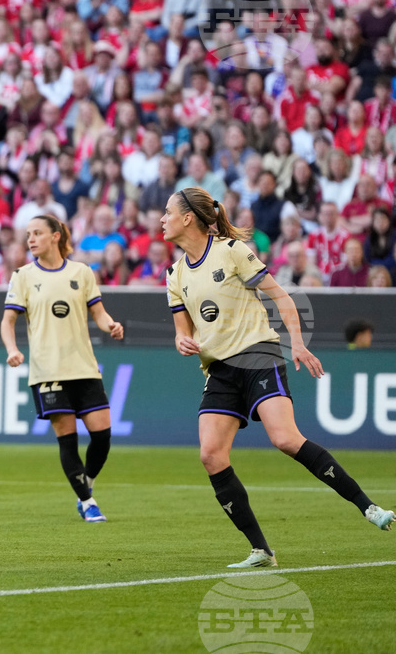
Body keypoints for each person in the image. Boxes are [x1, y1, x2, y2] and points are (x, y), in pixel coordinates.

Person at [163, 186, 395, 568]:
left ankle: (368, 507)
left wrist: (298, 344)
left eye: (168, 212)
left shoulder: (232, 251)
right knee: (210, 455)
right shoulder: (174, 274)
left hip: (258, 354)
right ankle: (261, 550)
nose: (162, 218)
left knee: (285, 439)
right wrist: (182, 341)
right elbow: (181, 331)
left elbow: (282, 298)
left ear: (188, 218)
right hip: (219, 369)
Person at [1, 215, 124, 523]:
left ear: (56, 236)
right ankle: (88, 502)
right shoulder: (23, 276)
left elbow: (98, 312)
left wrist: (111, 325)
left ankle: (87, 483)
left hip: (83, 367)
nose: (30, 239)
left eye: (38, 233)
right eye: (28, 234)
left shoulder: (82, 273)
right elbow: (8, 321)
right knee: (67, 438)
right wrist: (13, 349)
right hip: (47, 372)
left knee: (102, 437)